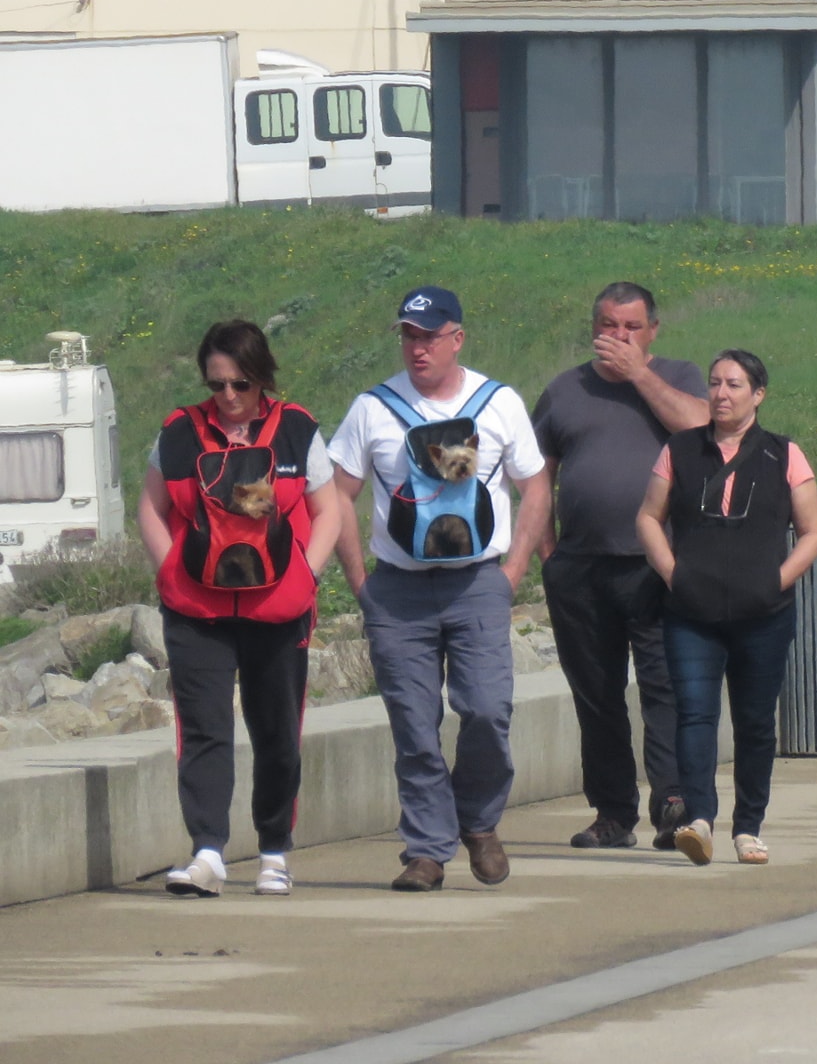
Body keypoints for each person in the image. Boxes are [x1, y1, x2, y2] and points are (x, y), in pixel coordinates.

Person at [330, 287, 552, 893]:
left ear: (457, 337)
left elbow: (535, 487)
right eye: (408, 335)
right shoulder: (372, 408)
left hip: (478, 583)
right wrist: (360, 581)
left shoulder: (498, 402)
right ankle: (426, 850)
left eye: (430, 335)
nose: (417, 347)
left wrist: (513, 572)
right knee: (413, 723)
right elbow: (334, 495)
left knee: (485, 710)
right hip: (397, 590)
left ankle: (478, 822)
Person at [136, 320, 341, 898]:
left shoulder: (297, 428)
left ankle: (274, 850)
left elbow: (329, 511)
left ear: (262, 379)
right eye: (217, 383)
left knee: (277, 731)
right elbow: (150, 508)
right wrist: (169, 568)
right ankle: (207, 853)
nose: (228, 397)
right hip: (196, 611)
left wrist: (307, 572)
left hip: (278, 610)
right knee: (203, 730)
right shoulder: (178, 431)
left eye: (241, 384)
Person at [533, 282, 710, 852]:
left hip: (657, 566)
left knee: (666, 690)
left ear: (653, 330)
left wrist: (639, 374)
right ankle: (612, 813)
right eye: (609, 326)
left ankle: (674, 807)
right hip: (580, 568)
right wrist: (548, 556)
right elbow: (537, 476)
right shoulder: (564, 390)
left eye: (632, 327)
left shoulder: (677, 377)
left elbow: (701, 429)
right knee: (596, 694)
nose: (619, 337)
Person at [633, 350, 817, 864]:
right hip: (691, 613)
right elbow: (648, 517)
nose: (721, 393)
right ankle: (699, 820)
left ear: (758, 395)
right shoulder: (679, 449)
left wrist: (775, 582)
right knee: (694, 714)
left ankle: (748, 827)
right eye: (715, 383)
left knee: (755, 721)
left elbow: (813, 533)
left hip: (763, 615)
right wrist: (673, 574)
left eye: (734, 384)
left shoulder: (784, 454)